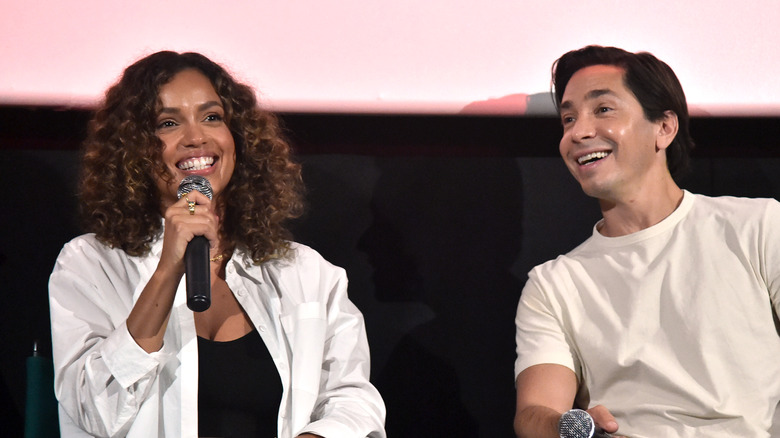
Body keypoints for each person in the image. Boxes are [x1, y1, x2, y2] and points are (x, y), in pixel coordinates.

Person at [49, 51, 386, 438]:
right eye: (168, 123)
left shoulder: (306, 273)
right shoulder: (89, 265)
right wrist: (167, 270)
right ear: (133, 150)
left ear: (237, 137)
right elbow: (94, 412)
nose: (196, 137)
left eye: (212, 117)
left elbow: (353, 400)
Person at [513, 45, 780, 437]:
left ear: (664, 128)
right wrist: (575, 427)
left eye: (602, 109)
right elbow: (535, 412)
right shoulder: (554, 284)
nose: (579, 132)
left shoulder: (759, 226)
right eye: (568, 119)